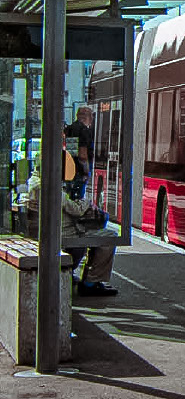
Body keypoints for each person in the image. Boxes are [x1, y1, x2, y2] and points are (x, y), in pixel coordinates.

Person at [25, 154, 119, 297]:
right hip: (64, 233)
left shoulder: (33, 182)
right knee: (109, 237)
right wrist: (85, 202)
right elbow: (76, 210)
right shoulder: (47, 186)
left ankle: (84, 276)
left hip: (49, 231)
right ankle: (91, 281)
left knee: (87, 242)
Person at [64, 106, 95, 199]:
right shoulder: (84, 130)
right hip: (79, 172)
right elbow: (82, 154)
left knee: (70, 197)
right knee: (78, 199)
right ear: (87, 117)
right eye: (92, 117)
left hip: (69, 170)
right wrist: (86, 172)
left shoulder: (69, 129)